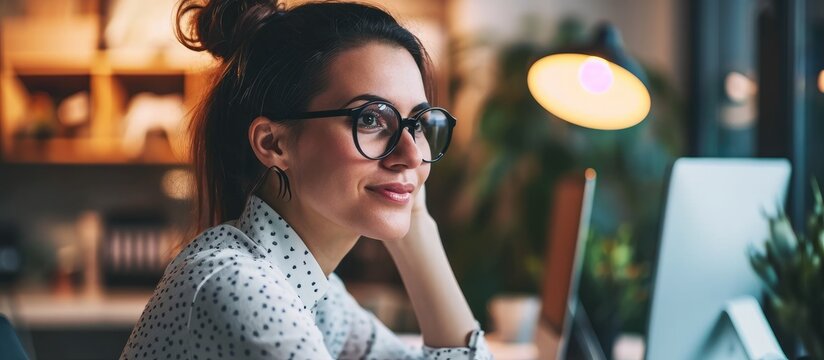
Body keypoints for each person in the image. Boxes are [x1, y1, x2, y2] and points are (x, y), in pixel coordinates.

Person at [120, 0, 492, 359]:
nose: (411, 155)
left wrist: (417, 227)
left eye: (419, 124)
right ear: (273, 143)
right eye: (370, 119)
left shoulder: (318, 294)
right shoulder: (237, 285)